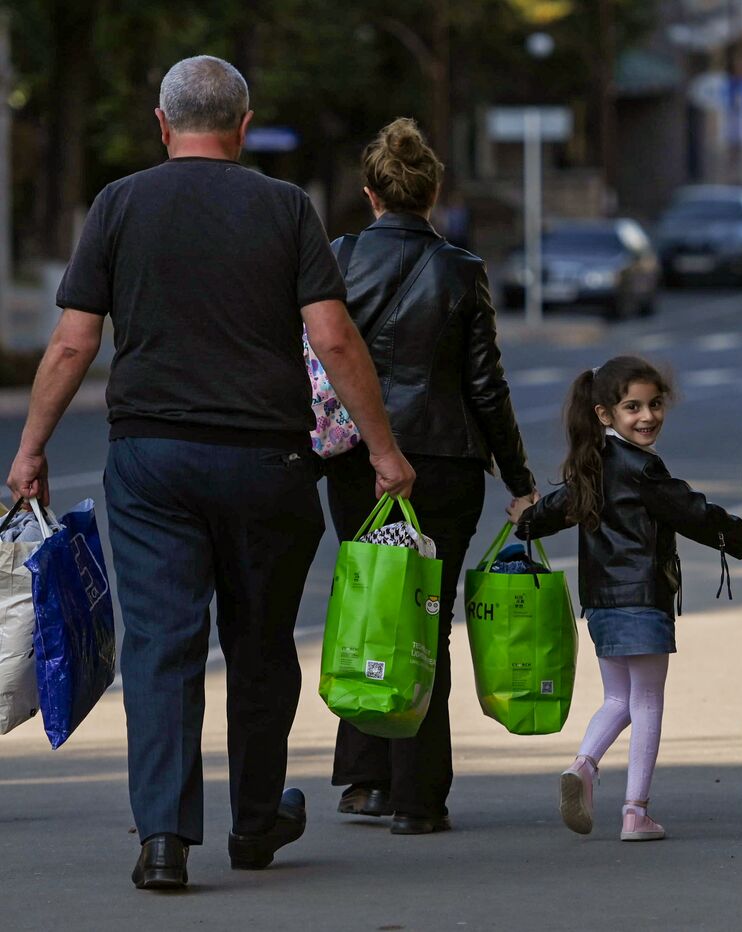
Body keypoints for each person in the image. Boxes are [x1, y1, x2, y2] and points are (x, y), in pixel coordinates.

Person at [5, 56, 414, 890]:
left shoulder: (119, 203)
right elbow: (334, 337)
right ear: (243, 125)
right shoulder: (284, 207)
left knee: (162, 644)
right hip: (268, 460)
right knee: (260, 643)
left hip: (151, 461)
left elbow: (75, 343)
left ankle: (163, 838)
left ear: (162, 124)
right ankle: (256, 823)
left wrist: (31, 447)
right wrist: (382, 449)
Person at [325, 117, 539, 835]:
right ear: (433, 194)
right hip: (445, 464)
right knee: (425, 619)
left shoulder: (338, 259)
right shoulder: (461, 270)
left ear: (371, 195)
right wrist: (519, 479)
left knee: (370, 606)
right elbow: (486, 387)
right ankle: (418, 799)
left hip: (358, 462)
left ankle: (366, 782)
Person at [508, 357, 742, 842]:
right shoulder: (642, 468)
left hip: (601, 602)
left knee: (617, 698)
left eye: (655, 404)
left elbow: (552, 511)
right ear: (605, 414)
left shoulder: (591, 465)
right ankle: (635, 813)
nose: (648, 416)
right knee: (647, 699)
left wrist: (525, 518)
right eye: (633, 407)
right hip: (643, 599)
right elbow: (693, 512)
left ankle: (583, 765)